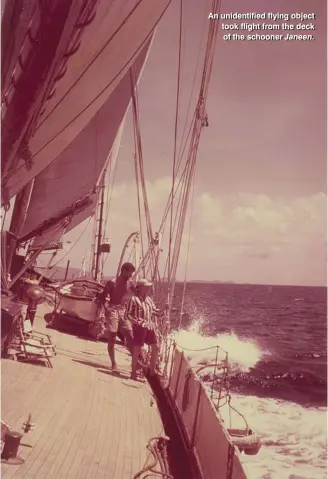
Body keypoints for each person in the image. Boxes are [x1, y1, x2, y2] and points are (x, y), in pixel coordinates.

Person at [126, 279, 162, 381]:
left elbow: (155, 311)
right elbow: (127, 315)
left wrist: (164, 310)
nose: (148, 288)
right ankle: (133, 373)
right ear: (140, 287)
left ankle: (152, 370)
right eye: (146, 286)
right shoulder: (133, 299)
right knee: (137, 349)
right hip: (139, 327)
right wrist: (137, 322)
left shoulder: (149, 299)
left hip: (149, 326)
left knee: (156, 347)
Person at [102, 262, 135, 372]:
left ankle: (135, 364)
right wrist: (106, 310)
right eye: (129, 273)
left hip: (123, 311)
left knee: (130, 336)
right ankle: (113, 363)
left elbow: (138, 295)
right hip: (112, 309)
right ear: (123, 271)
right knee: (112, 336)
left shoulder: (130, 283)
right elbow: (102, 298)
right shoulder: (112, 282)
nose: (130, 276)